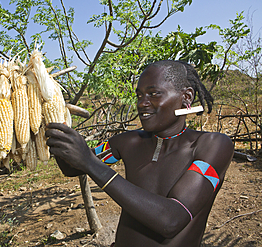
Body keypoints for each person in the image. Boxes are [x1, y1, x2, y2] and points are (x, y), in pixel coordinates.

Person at [45, 60, 234, 247]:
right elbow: (72, 167)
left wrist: (90, 163)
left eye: (154, 94)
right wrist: (53, 129)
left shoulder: (213, 145)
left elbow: (171, 220)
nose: (142, 103)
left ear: (186, 97)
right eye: (139, 95)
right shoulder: (127, 142)